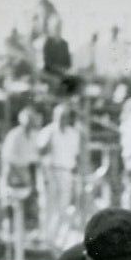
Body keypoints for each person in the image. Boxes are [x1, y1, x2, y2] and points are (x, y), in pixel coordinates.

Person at [37, 104, 84, 247]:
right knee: (48, 205)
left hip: (66, 172)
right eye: (60, 116)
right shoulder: (47, 131)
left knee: (63, 207)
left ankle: (55, 239)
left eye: (65, 116)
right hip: (50, 171)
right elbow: (40, 152)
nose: (63, 119)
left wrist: (76, 175)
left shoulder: (73, 134)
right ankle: (45, 238)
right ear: (54, 116)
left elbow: (75, 156)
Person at [0, 106, 43, 249]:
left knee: (29, 210)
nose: (30, 123)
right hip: (12, 175)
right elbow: (8, 158)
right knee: (10, 210)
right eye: (27, 120)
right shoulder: (14, 135)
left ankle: (24, 245)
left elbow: (36, 157)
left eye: (32, 120)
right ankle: (8, 246)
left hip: (28, 175)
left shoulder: (35, 135)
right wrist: (20, 175)